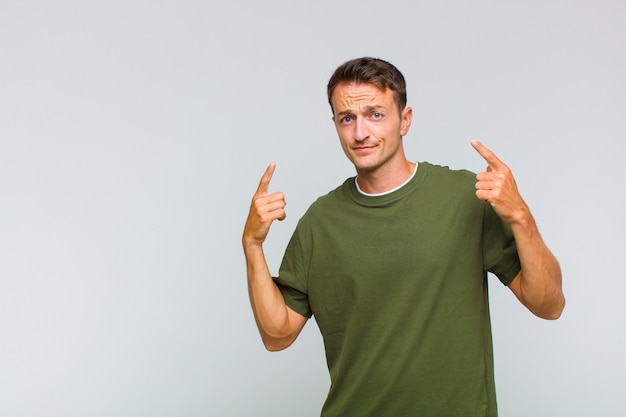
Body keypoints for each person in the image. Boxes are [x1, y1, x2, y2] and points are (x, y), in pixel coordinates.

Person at [242, 57, 565, 417]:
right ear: (335, 124)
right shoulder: (320, 222)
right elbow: (277, 335)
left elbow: (548, 305)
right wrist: (253, 246)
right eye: (346, 118)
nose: (360, 132)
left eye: (375, 114)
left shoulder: (464, 198)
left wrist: (520, 217)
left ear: (405, 121)